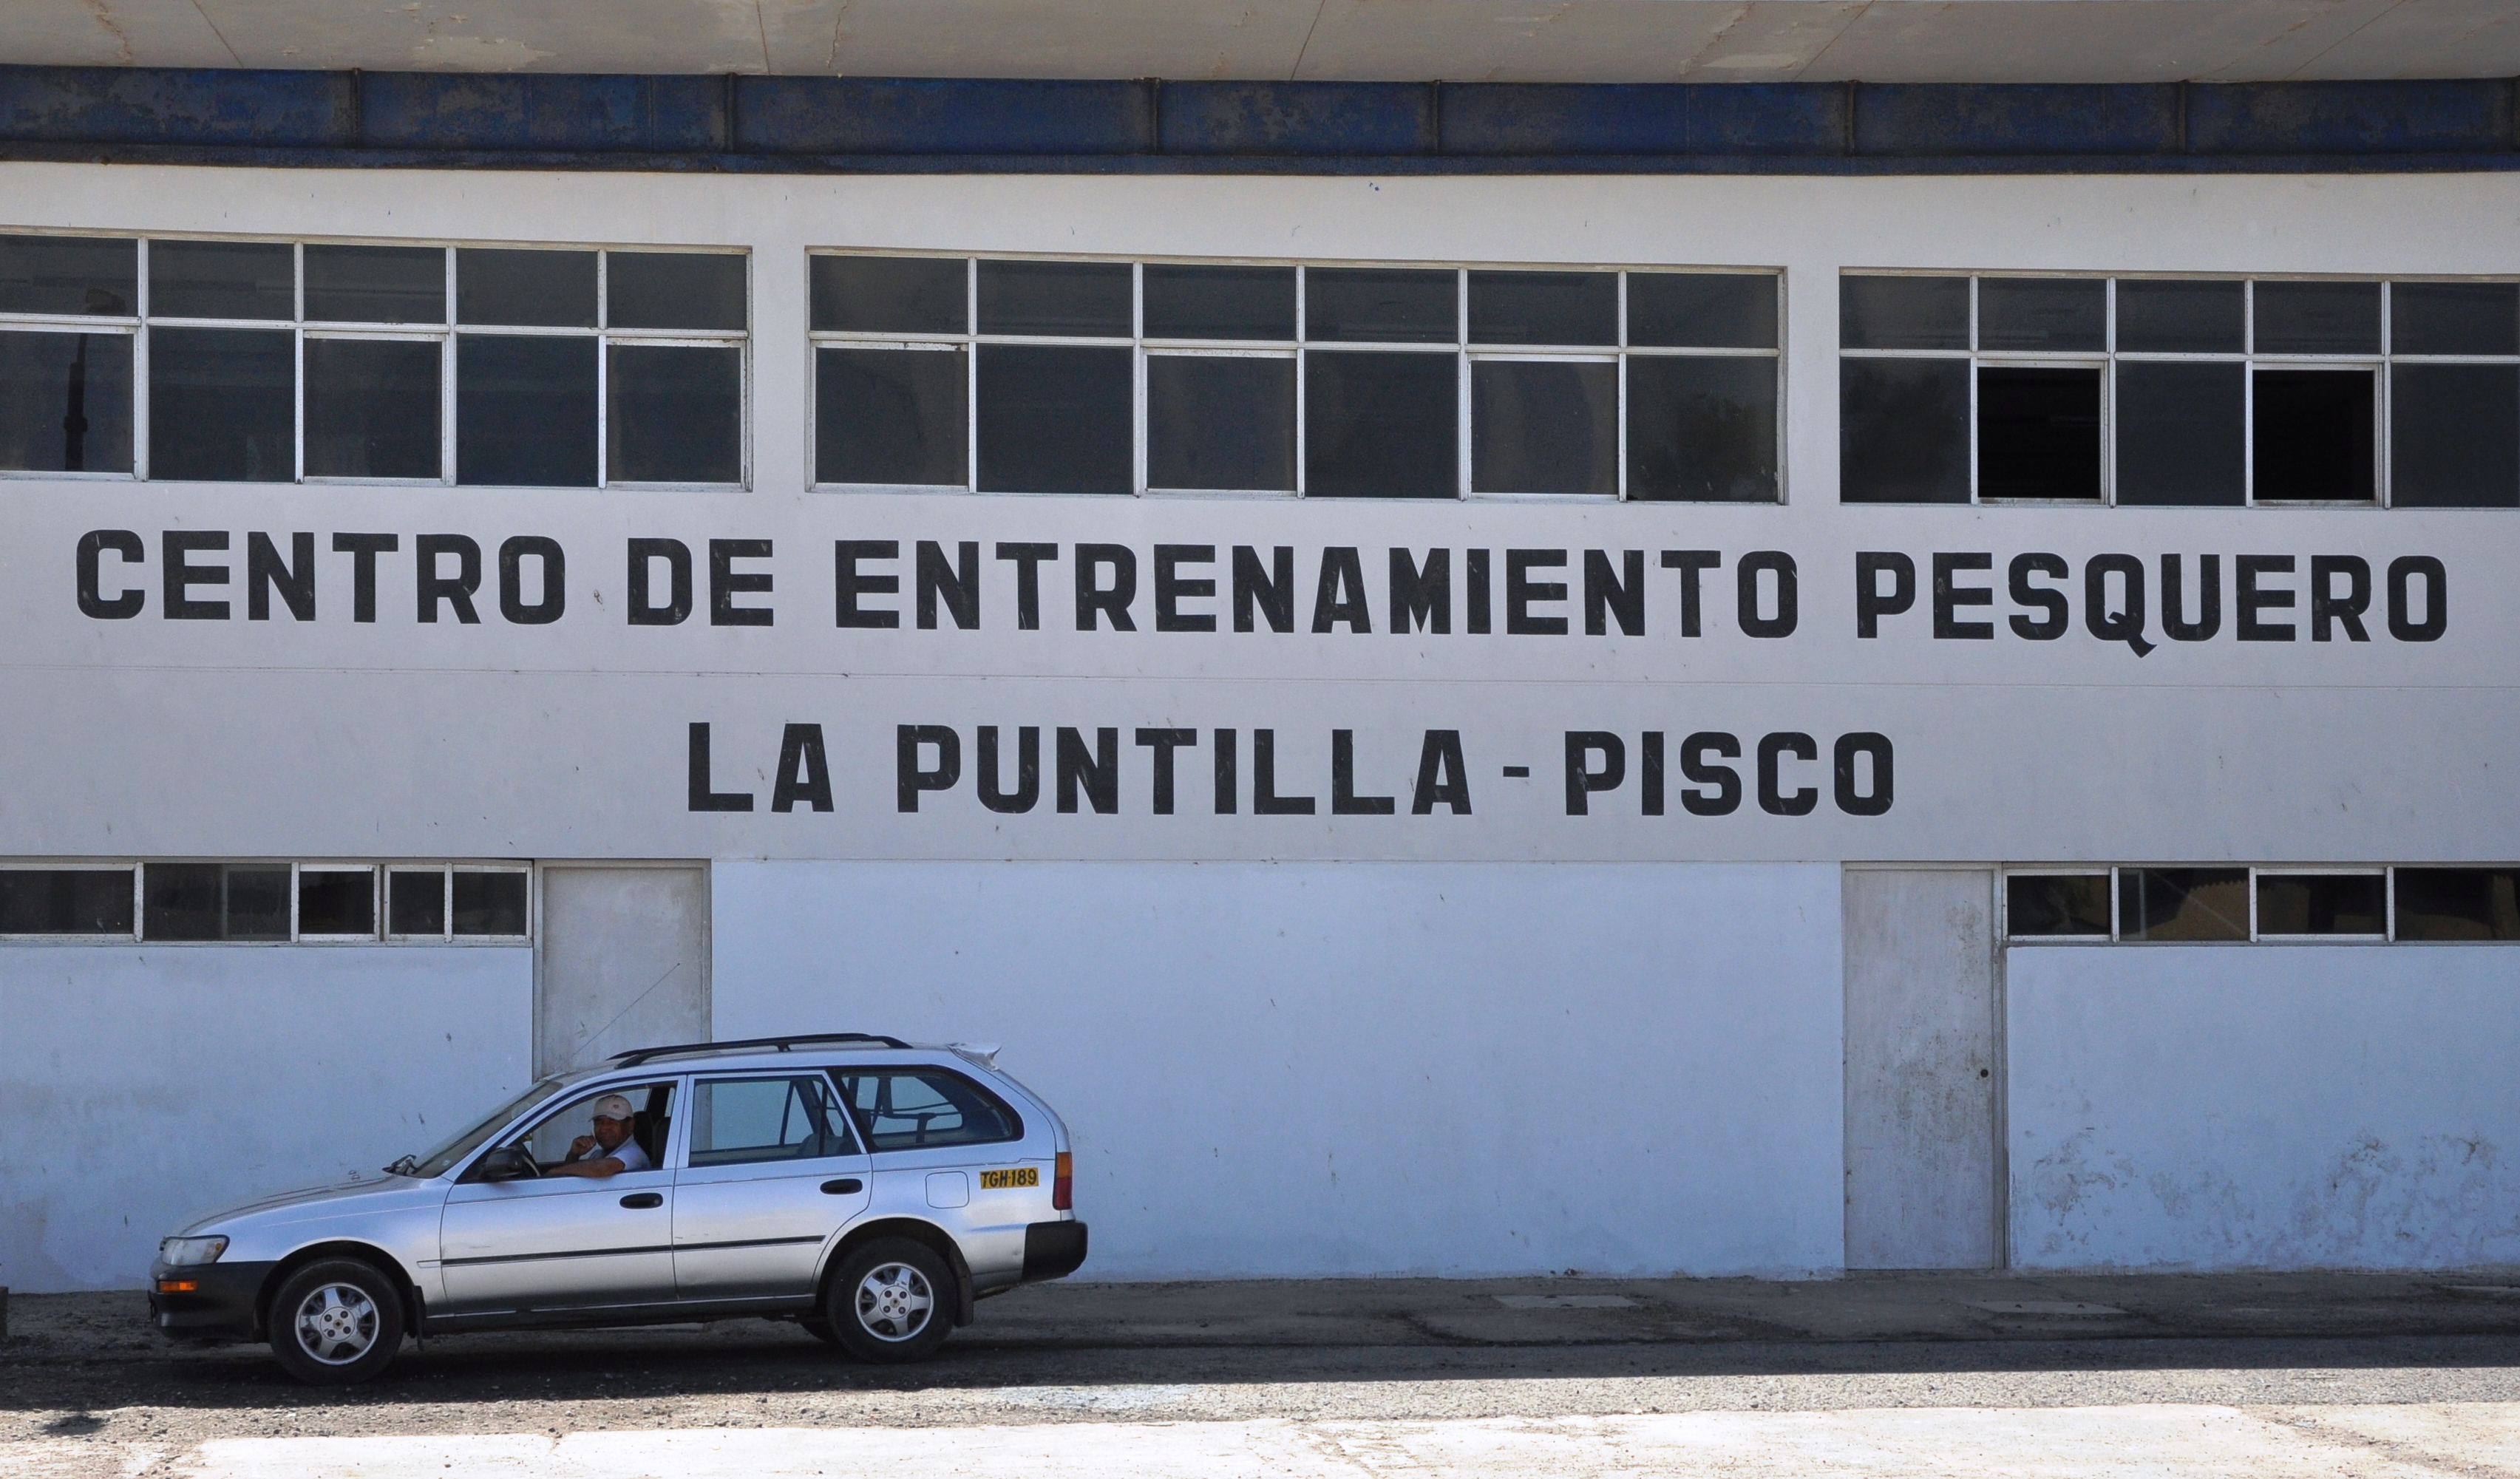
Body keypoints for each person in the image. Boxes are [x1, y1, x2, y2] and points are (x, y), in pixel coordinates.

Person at [545, 1093, 651, 1178]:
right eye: (599, 1122)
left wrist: (555, 1171)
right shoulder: (598, 1155)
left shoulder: (634, 1153)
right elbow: (568, 1179)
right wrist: (574, 1154)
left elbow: (603, 1168)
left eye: (613, 1122)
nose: (604, 1129)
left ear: (630, 1126)